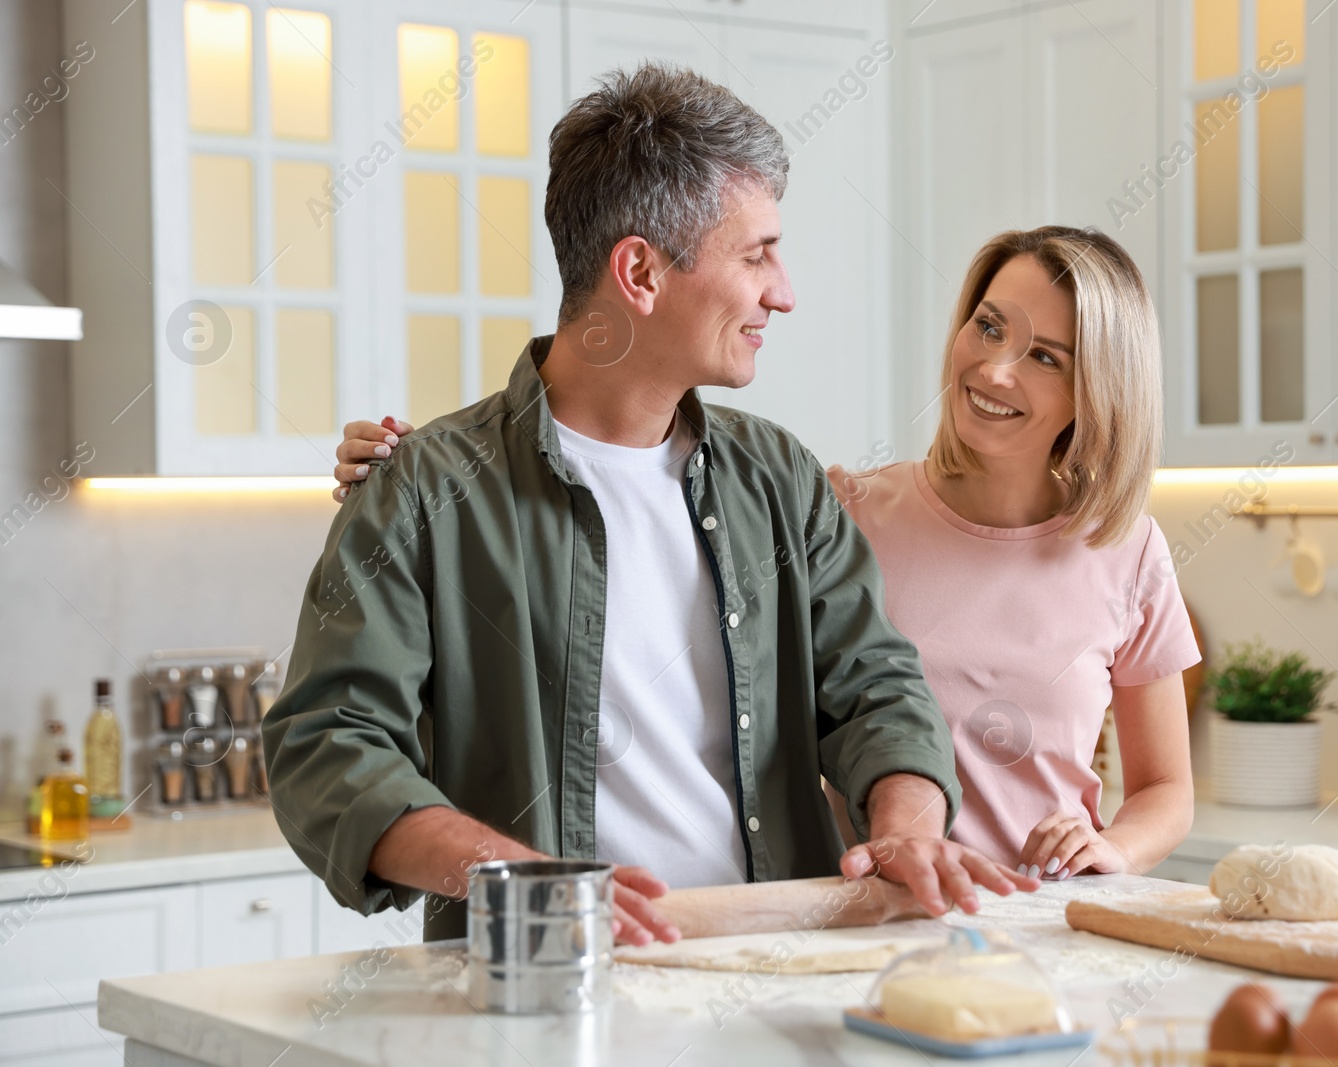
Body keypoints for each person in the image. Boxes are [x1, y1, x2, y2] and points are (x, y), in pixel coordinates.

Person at [266, 62, 1036, 948]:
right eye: (756, 255)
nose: (783, 291)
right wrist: (516, 882)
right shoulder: (426, 488)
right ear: (639, 272)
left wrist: (906, 828)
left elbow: (878, 690)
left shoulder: (779, 478)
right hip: (554, 981)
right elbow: (327, 745)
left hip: (783, 969)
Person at [338, 225, 1199, 886]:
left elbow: (1163, 786)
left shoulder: (1126, 550)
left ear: (1097, 389)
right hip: (872, 913)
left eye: (1045, 357)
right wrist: (420, 476)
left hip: (1043, 914)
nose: (997, 369)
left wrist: (1108, 848)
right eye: (988, 326)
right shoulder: (840, 503)